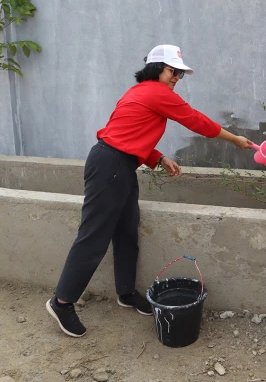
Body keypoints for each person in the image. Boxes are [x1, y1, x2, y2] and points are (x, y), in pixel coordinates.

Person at [46, 44, 253, 338]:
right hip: (111, 165)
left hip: (120, 165)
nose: (177, 77)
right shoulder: (156, 92)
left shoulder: (138, 93)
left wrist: (158, 157)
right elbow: (195, 120)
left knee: (127, 232)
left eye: (180, 73)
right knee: (94, 236)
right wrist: (235, 139)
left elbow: (128, 133)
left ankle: (126, 292)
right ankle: (62, 302)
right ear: (156, 69)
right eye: (173, 71)